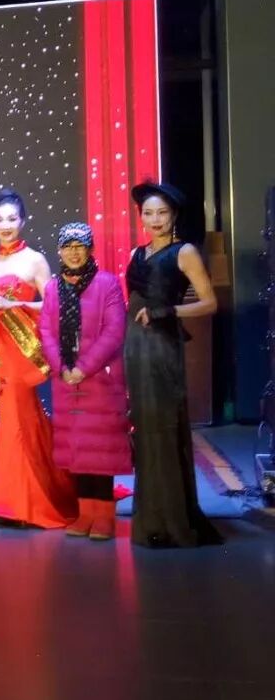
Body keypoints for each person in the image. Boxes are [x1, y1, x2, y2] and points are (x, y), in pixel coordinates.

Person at [125, 182, 222, 548]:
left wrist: (167, 311)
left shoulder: (185, 253)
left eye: (162, 213)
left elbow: (210, 303)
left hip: (163, 348)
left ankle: (172, 521)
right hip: (136, 347)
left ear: (174, 215)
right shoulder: (137, 253)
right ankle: (152, 517)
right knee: (145, 432)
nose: (155, 220)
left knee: (163, 430)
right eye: (148, 213)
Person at [0, 190, 75, 529]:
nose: (5, 225)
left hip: (20, 350)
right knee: (17, 419)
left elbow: (55, 303)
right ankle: (16, 497)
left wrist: (16, 304)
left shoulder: (34, 259)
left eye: (11, 218)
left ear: (22, 221)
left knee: (18, 419)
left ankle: (22, 504)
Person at [39, 223, 131, 541]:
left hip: (99, 380)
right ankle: (85, 513)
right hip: (66, 381)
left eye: (80, 246)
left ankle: (104, 516)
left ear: (90, 249)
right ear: (60, 251)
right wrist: (62, 367)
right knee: (77, 451)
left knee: (100, 452)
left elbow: (114, 331)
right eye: (68, 246)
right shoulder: (53, 287)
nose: (74, 252)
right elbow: (46, 331)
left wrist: (83, 367)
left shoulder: (107, 283)